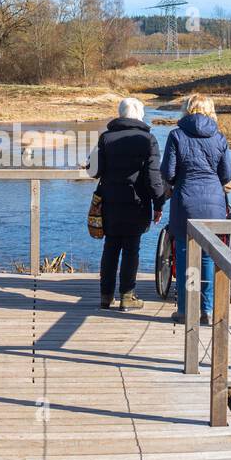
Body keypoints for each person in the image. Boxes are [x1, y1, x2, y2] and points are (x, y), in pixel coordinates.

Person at [160, 93, 231, 325]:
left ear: (187, 109)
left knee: (183, 256)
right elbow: (227, 175)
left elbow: (168, 173)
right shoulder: (219, 137)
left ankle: (185, 310)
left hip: (185, 201)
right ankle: (208, 310)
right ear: (210, 111)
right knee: (208, 257)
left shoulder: (176, 135)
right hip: (213, 202)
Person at [92, 97, 169, 311]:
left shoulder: (105, 137)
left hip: (109, 201)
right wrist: (159, 203)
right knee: (131, 250)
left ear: (120, 113)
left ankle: (106, 296)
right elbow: (154, 177)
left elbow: (96, 170)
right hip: (137, 203)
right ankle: (127, 296)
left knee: (110, 248)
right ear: (140, 114)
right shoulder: (147, 139)